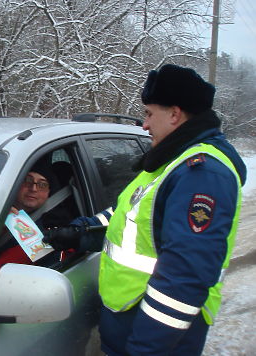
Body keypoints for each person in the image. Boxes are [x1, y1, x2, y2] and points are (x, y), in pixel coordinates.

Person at [43, 64, 247, 355]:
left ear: (175, 114)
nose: (145, 125)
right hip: (130, 319)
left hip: (155, 335)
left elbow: (184, 278)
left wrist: (146, 348)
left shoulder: (201, 173)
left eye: (150, 113)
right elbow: (128, 217)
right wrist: (81, 232)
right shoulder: (168, 163)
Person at [0, 156, 72, 271]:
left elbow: (52, 268)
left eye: (42, 184)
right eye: (28, 180)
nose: (33, 189)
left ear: (49, 192)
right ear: (16, 184)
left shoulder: (56, 226)